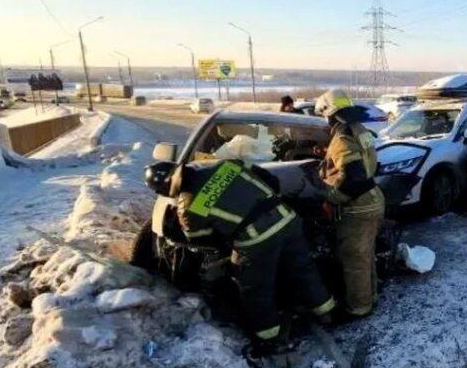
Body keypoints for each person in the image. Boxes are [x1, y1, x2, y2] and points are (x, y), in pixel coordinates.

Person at [145, 158, 336, 350]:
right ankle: (327, 313)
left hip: (257, 240)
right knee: (304, 269)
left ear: (164, 189)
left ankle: (269, 337)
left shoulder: (188, 206)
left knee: (256, 289)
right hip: (287, 219)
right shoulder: (225, 165)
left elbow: (203, 241)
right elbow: (267, 177)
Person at [315, 88, 386, 318]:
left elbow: (354, 176)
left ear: (329, 114)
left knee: (354, 260)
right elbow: (364, 163)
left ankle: (358, 308)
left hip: (358, 206)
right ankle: (370, 296)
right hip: (373, 198)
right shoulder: (358, 129)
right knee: (365, 255)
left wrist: (331, 199)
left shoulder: (342, 138)